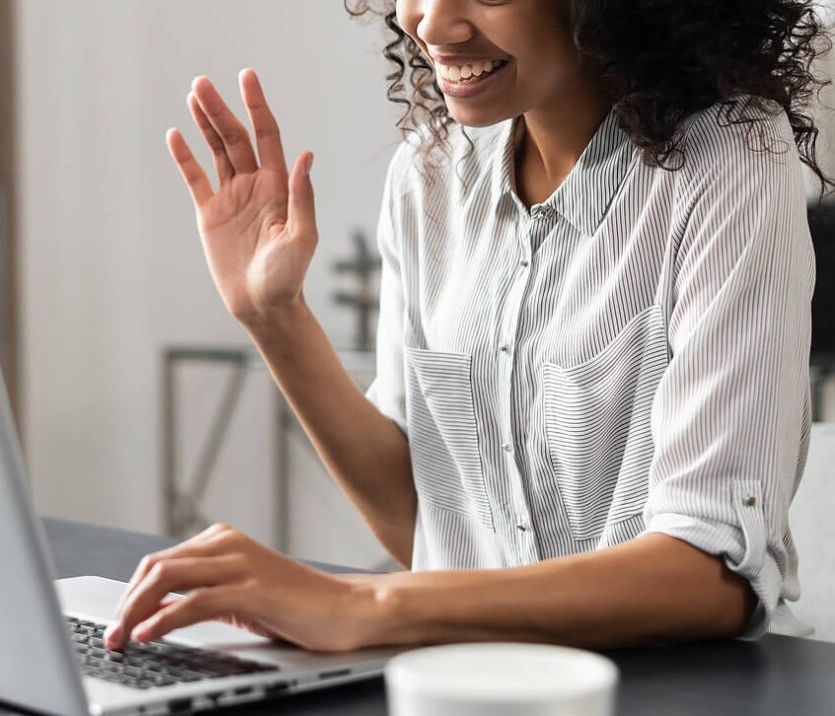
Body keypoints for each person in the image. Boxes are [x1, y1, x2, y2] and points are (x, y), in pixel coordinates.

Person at [106, 0, 831, 652]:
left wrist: (362, 601)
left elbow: (713, 574)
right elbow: (415, 519)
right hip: (467, 680)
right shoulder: (428, 176)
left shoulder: (732, 157)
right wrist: (273, 317)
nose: (430, 23)